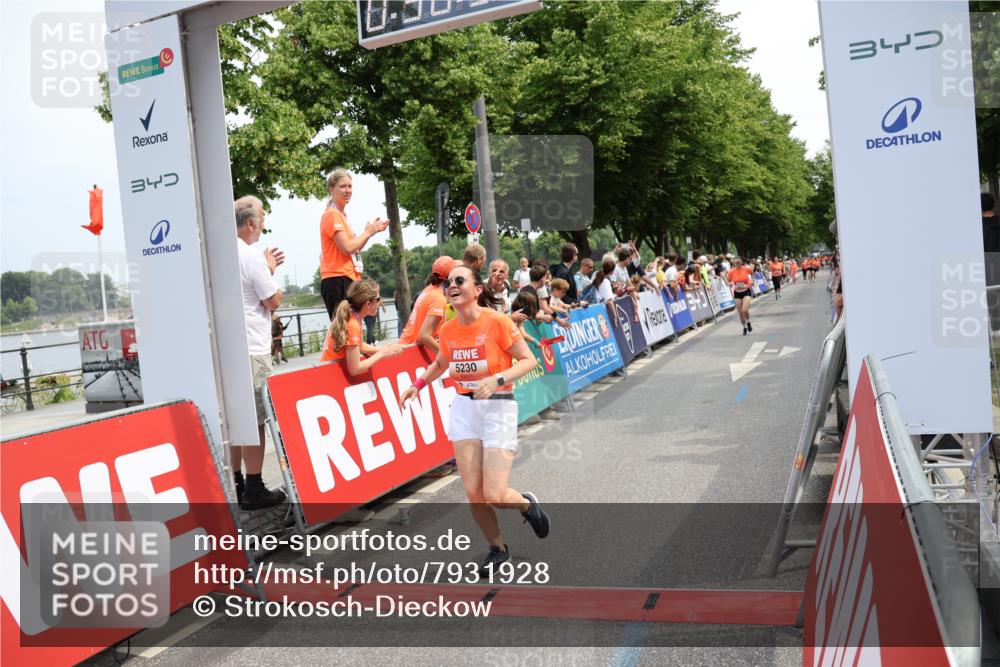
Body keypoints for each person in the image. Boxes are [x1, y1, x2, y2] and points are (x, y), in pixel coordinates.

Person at [399, 265, 548, 575]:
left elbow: (529, 360)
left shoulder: (498, 322)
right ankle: (498, 548)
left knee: (495, 494)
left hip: (498, 407)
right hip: (465, 409)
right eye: (447, 282)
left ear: (477, 289)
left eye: (459, 280)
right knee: (474, 493)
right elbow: (442, 361)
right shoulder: (449, 329)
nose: (451, 285)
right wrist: (418, 384)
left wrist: (497, 379)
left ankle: (526, 504)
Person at [233, 195, 286, 510]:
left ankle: (238, 483)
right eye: (263, 215)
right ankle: (255, 487)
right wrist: (270, 269)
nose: (264, 221)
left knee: (235, 421)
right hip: (253, 346)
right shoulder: (252, 256)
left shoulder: (220, 252)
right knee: (255, 420)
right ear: (251, 222)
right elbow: (272, 301)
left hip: (229, 348)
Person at [319, 169, 389, 319]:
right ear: (332, 189)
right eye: (343, 186)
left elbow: (354, 247)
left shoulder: (342, 216)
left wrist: (371, 232)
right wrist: (368, 232)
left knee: (352, 326)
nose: (348, 190)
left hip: (347, 278)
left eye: (350, 186)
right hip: (337, 278)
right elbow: (347, 248)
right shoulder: (332, 214)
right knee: (344, 329)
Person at [321, 279, 406, 375]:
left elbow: (357, 345)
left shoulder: (352, 315)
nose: (380, 302)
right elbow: (355, 369)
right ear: (368, 304)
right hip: (331, 373)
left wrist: (384, 349)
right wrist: (382, 354)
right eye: (378, 299)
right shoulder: (353, 324)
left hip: (328, 370)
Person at [399, 256, 458, 354]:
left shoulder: (429, 289)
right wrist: (448, 357)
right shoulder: (438, 298)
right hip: (412, 351)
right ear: (450, 277)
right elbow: (424, 336)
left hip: (407, 345)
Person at [727, 256, 755, 336]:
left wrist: (751, 282)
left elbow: (752, 275)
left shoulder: (746, 269)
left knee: (744, 310)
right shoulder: (731, 271)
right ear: (733, 263)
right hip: (737, 293)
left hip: (746, 291)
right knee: (740, 312)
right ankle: (744, 327)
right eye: (736, 263)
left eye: (739, 262)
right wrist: (730, 284)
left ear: (741, 262)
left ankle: (748, 322)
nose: (737, 264)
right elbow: (729, 281)